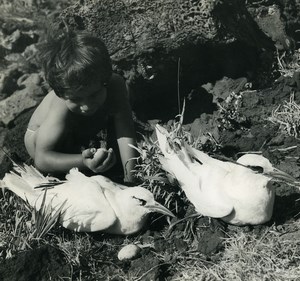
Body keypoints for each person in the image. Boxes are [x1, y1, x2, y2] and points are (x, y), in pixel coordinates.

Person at [24, 27, 138, 183]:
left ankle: (104, 161)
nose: (86, 106)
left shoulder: (115, 84)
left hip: (78, 129)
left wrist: (131, 179)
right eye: (76, 99)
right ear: (61, 94)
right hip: (44, 146)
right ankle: (70, 167)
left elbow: (126, 134)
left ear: (105, 79)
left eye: (93, 94)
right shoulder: (61, 105)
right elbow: (42, 159)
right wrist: (83, 162)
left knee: (122, 101)